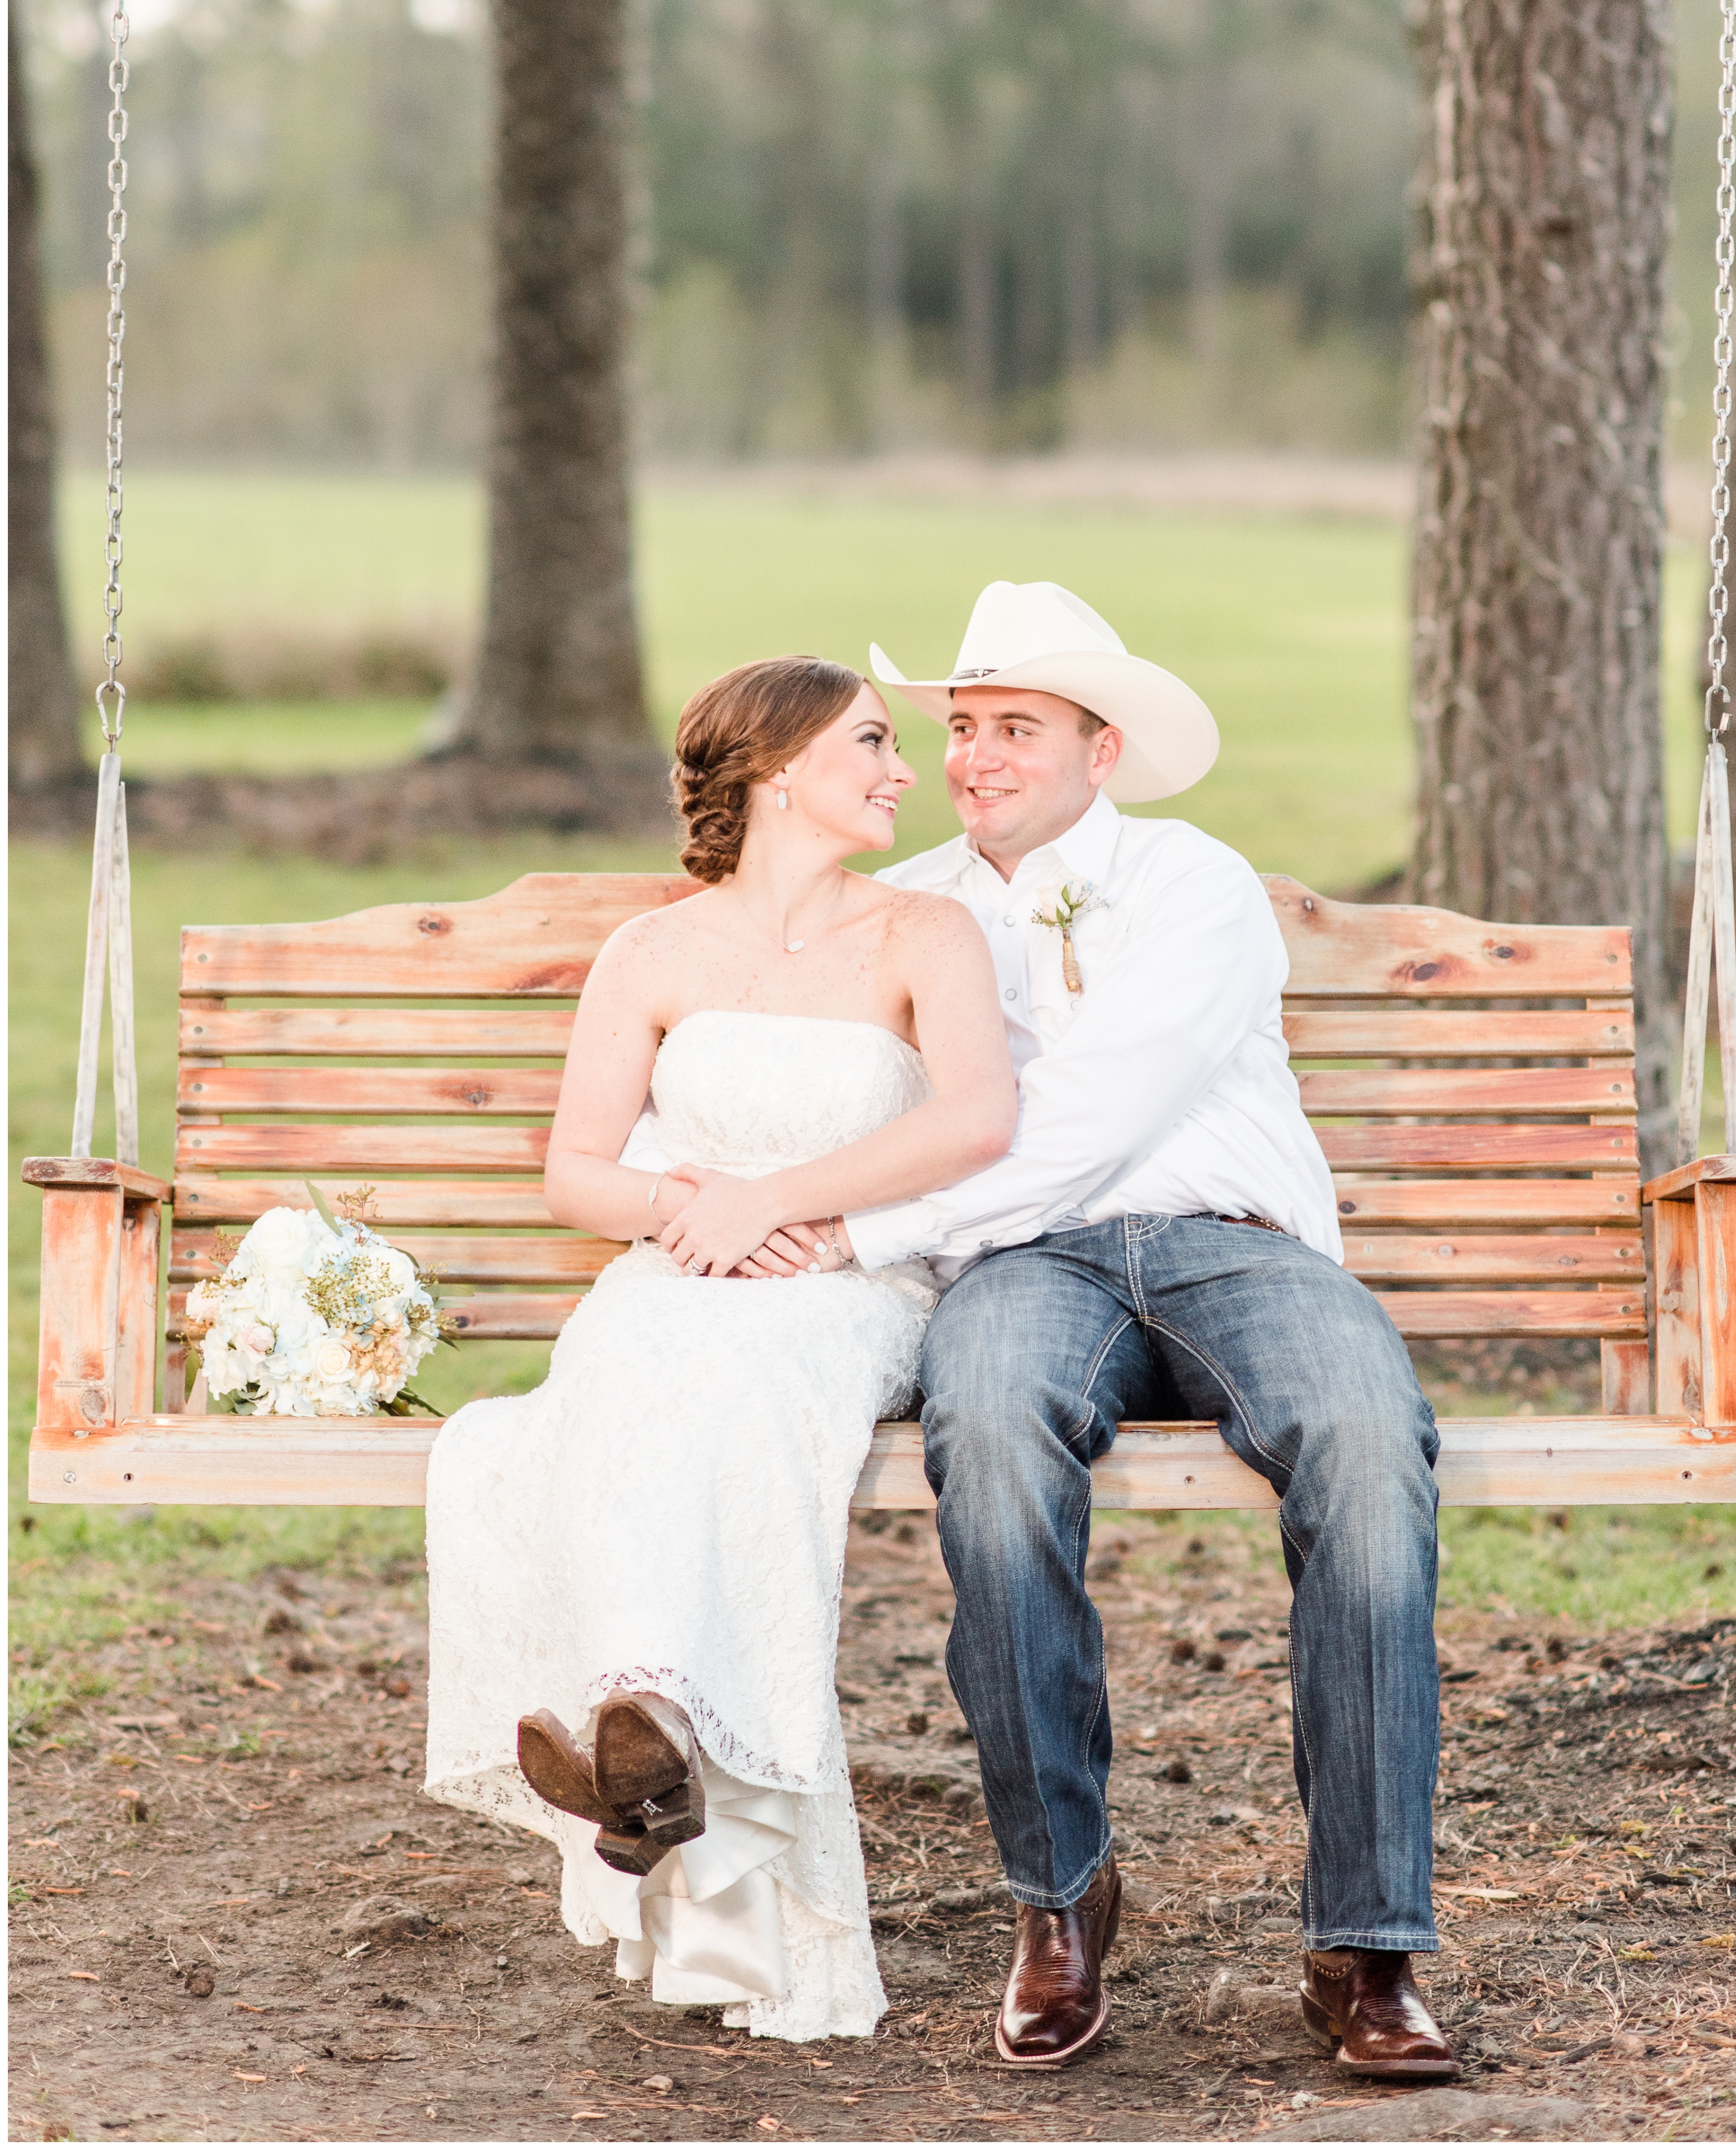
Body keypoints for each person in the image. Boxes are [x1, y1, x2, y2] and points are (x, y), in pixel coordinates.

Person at [756, 581, 1457, 2082]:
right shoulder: (914, 905)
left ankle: (1368, 1943)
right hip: (1021, 1268)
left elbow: (1089, 1115)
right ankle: (1058, 1903)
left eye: (1016, 725)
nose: (975, 754)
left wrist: (860, 1228)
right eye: (961, 727)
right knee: (992, 1441)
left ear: (1101, 746)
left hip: (1230, 1250)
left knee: (1363, 1441)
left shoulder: (1193, 880)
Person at [422, 655, 1015, 2044]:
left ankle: (647, 1739)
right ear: (775, 768)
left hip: (841, 1282)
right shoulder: (652, 951)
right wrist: (689, 1210)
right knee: (623, 1375)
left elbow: (976, 1120)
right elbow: (576, 1171)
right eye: (871, 743)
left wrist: (782, 1205)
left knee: (739, 1388)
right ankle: (652, 1731)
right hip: (684, 1265)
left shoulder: (923, 933)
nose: (900, 769)